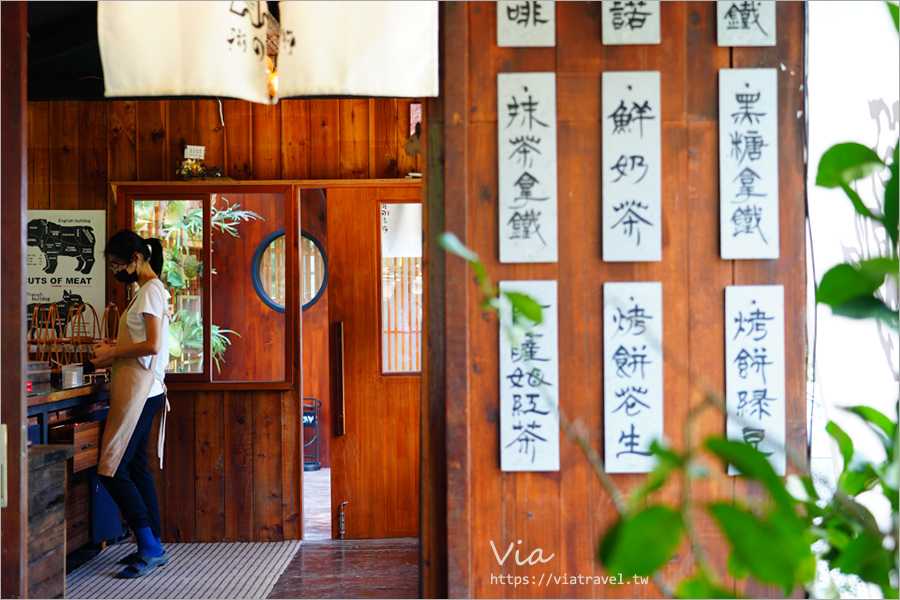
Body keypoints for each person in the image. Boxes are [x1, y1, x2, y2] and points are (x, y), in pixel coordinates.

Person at [91, 229, 171, 579]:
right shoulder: (146, 292)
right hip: (145, 391)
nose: (114, 271)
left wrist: (112, 352)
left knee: (111, 469)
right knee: (136, 468)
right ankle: (152, 542)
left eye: (116, 264)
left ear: (136, 259)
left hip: (143, 392)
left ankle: (149, 546)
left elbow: (153, 346)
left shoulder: (151, 291)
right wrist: (113, 353)